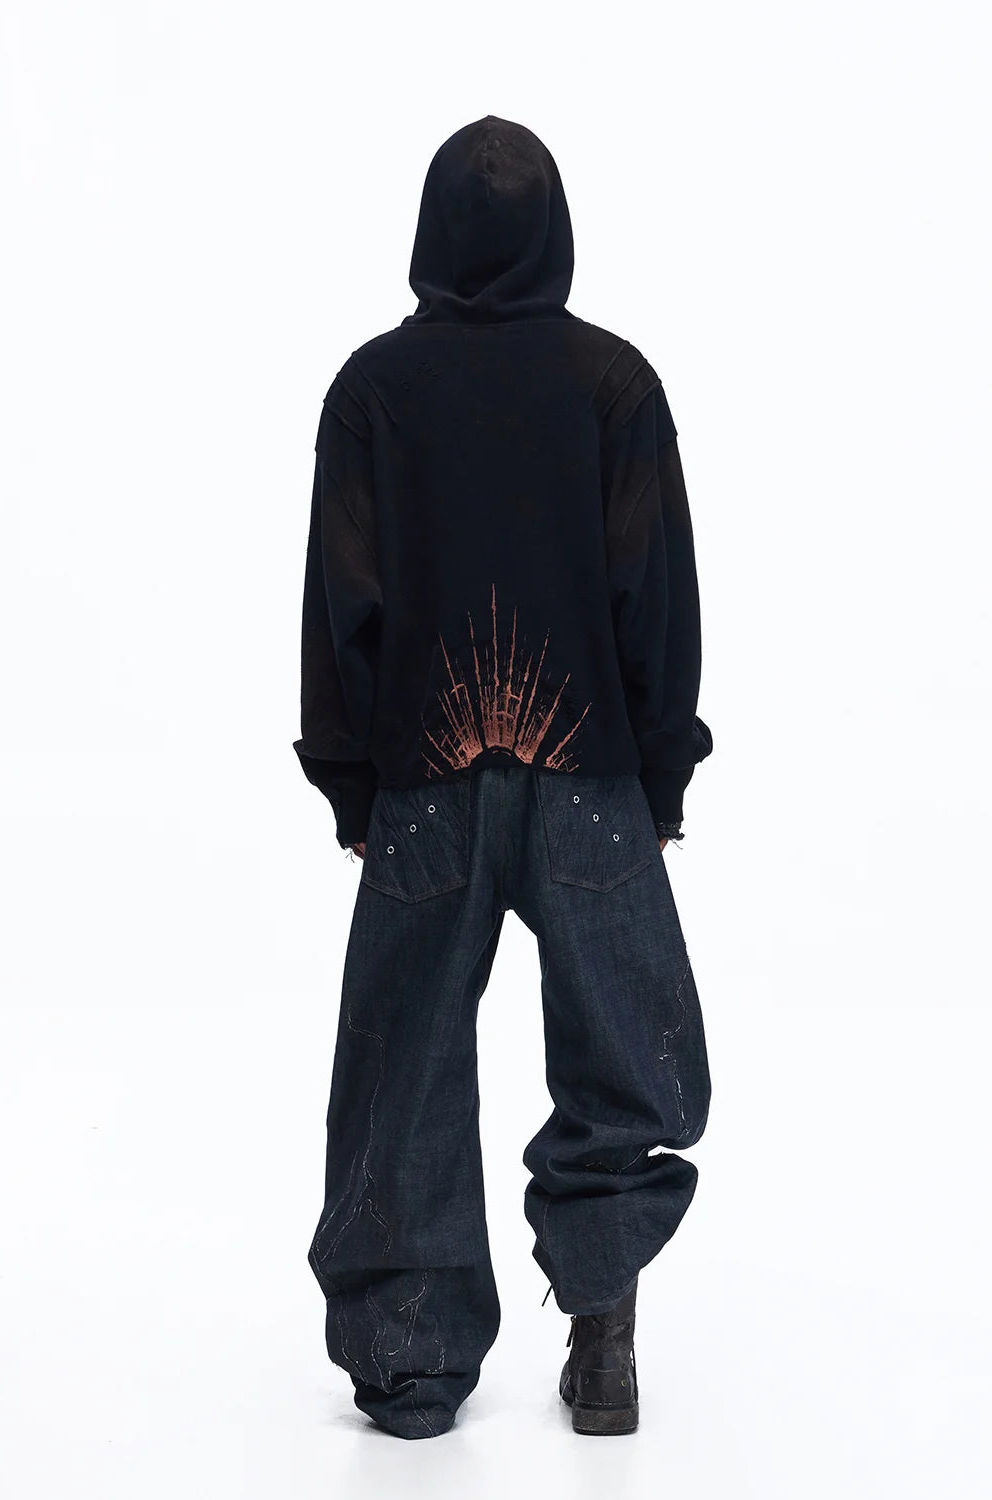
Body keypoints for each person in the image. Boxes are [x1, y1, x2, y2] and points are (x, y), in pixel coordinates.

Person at [293, 113, 713, 1440]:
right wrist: (661, 773)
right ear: (555, 231)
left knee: (402, 1067)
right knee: (625, 1053)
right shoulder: (613, 384)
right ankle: (605, 1335)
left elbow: (339, 604)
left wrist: (351, 783)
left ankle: (410, 1371)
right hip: (588, 775)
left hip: (424, 786)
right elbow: (657, 596)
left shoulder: (374, 390)